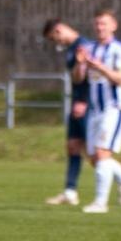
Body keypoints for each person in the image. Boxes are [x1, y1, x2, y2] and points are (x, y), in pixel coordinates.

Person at [77, 8, 121, 215]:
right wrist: (80, 64)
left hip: (114, 108)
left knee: (102, 153)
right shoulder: (89, 48)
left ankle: (100, 203)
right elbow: (78, 79)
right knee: (95, 158)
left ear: (113, 26)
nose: (100, 27)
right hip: (94, 110)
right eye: (97, 23)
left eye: (104, 23)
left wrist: (99, 67)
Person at [42, 18, 91, 206]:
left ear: (59, 30)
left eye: (54, 39)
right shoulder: (72, 48)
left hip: (84, 104)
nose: (57, 43)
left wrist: (84, 101)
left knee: (95, 152)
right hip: (76, 103)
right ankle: (70, 192)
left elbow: (87, 78)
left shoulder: (83, 46)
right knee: (73, 146)